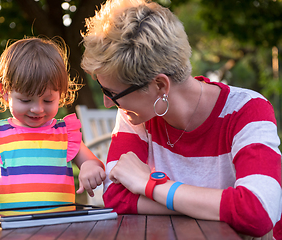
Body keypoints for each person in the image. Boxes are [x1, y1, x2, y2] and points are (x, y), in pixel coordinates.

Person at [80, 0, 282, 238]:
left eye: (112, 93)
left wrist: (150, 185)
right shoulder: (135, 116)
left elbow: (257, 212)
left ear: (159, 85)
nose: (107, 103)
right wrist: (212, 205)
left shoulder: (248, 110)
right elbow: (116, 197)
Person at [0, 37, 106, 210]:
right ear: (5, 92)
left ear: (60, 94)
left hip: (59, 228)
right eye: (25, 100)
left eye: (48, 100)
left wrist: (89, 168)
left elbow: (92, 162)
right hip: (11, 229)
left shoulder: (65, 133)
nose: (37, 109)